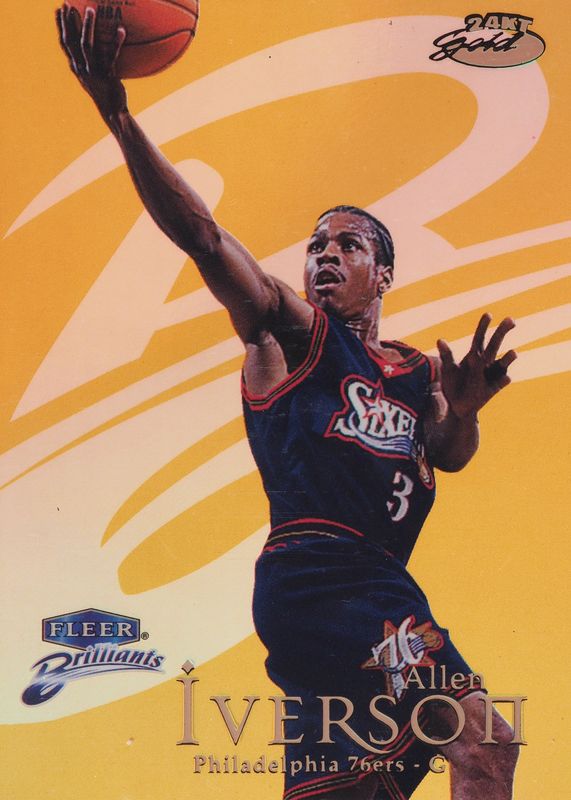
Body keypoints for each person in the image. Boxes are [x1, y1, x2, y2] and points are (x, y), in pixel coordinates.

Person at [56, 6, 520, 799]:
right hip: (323, 577)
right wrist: (118, 116)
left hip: (367, 590)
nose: (323, 256)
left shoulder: (414, 370)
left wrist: (466, 411)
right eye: (315, 247)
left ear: (383, 273)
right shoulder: (288, 335)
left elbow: (446, 454)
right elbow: (204, 239)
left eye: (347, 245)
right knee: (484, 743)